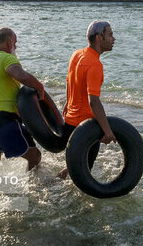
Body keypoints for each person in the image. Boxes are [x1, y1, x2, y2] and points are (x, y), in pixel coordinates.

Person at [0, 28, 45, 174]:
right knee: (35, 157)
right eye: (15, 43)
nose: (16, 46)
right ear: (9, 43)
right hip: (4, 121)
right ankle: (34, 191)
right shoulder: (7, 58)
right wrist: (39, 87)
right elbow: (22, 76)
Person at [58, 20, 116, 179]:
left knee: (73, 167)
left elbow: (69, 82)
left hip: (70, 122)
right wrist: (108, 132)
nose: (113, 39)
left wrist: (67, 106)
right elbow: (94, 101)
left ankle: (50, 185)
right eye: (110, 34)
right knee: (83, 177)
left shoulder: (77, 54)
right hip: (85, 129)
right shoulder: (95, 64)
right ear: (99, 37)